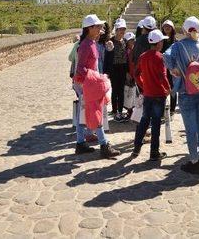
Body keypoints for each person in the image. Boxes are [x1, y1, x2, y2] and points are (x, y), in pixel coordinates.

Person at [163, 16, 199, 174]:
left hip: (187, 92)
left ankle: (193, 160)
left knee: (190, 128)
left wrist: (174, 69)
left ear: (185, 30)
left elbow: (165, 56)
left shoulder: (178, 46)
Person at [73, 14, 121, 158]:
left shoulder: (91, 43)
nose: (101, 28)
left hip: (88, 84)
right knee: (96, 113)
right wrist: (96, 78)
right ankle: (104, 144)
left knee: (84, 114)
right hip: (87, 85)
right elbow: (80, 68)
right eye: (98, 26)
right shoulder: (86, 45)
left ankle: (80, 143)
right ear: (90, 28)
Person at [132, 30, 171, 161]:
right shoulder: (160, 57)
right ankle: (154, 152)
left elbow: (136, 74)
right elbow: (162, 76)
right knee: (156, 124)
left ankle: (136, 147)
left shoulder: (143, 56)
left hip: (147, 93)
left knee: (144, 120)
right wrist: (168, 88)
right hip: (159, 94)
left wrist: (143, 85)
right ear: (159, 43)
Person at [106, 18, 129, 121]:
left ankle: (120, 111)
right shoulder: (111, 41)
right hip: (114, 68)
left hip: (123, 68)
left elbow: (127, 57)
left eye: (124, 29)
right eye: (120, 29)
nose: (122, 31)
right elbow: (107, 56)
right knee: (115, 90)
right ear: (116, 30)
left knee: (121, 91)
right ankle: (115, 111)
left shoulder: (125, 41)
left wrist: (128, 70)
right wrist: (107, 72)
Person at [161, 20, 178, 116]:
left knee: (173, 87)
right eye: (165, 26)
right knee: (163, 86)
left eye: (169, 26)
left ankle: (172, 108)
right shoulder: (160, 40)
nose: (167, 28)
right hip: (162, 67)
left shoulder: (175, 41)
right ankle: (163, 107)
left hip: (172, 67)